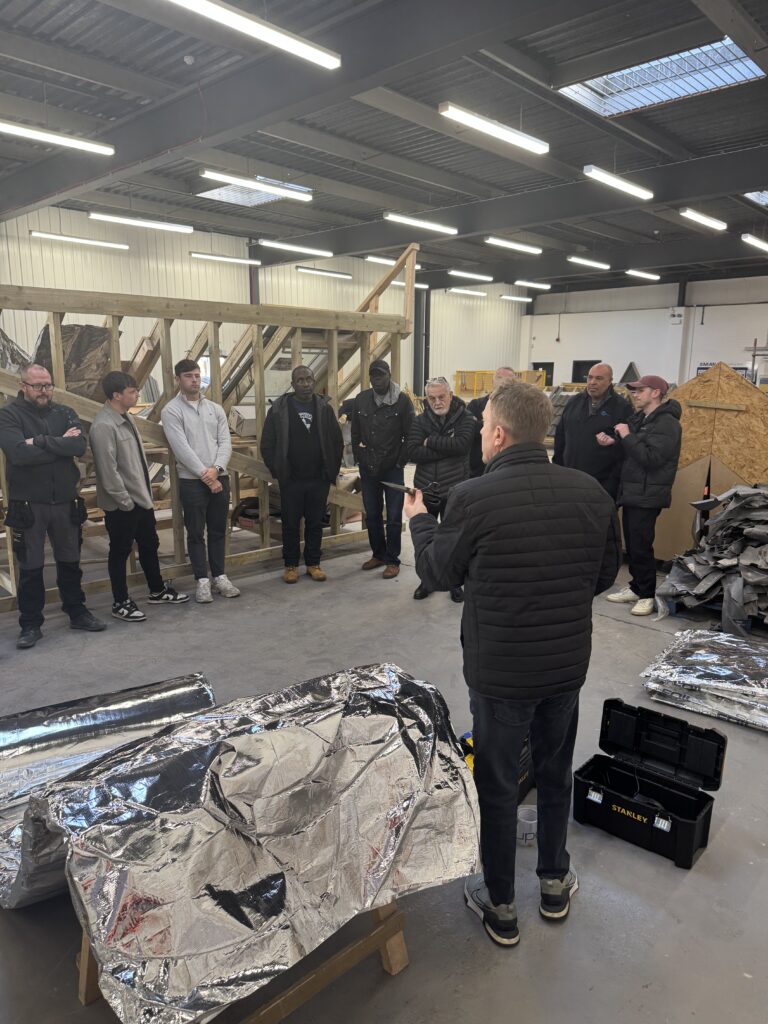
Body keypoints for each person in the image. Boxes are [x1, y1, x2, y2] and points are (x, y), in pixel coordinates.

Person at [405, 380, 620, 948]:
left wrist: (420, 521)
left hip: (500, 674)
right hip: (564, 668)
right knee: (554, 772)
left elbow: (438, 574)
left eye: (483, 427)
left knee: (498, 785)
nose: (480, 435)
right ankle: (554, 881)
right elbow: (603, 575)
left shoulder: (472, 497)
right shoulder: (591, 493)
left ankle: (500, 904)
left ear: (499, 434)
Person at [0, 363, 107, 648]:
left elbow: (78, 447)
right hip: (29, 503)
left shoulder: (65, 412)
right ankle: (30, 623)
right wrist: (59, 445)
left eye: (48, 385)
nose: (44, 391)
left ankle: (77, 611)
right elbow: (18, 454)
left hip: (64, 501)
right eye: (38, 386)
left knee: (70, 560)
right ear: (23, 386)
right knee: (31, 565)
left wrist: (39, 441)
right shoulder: (8, 415)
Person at [90, 371, 189, 622]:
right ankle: (120, 602)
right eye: (132, 391)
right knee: (120, 552)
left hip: (140, 500)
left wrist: (142, 500)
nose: (137, 395)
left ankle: (156, 590)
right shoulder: (104, 425)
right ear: (116, 395)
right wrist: (125, 502)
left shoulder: (127, 418)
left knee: (149, 544)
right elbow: (108, 471)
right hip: (122, 504)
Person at [603, 375, 682, 616]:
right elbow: (633, 451)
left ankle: (647, 594)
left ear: (656, 393)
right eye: (634, 391)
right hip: (633, 491)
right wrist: (614, 441)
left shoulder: (667, 423)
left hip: (647, 494)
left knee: (641, 545)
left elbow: (652, 459)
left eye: (640, 390)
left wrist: (627, 435)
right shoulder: (642, 419)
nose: (635, 395)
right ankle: (637, 587)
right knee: (633, 543)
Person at [162, 359, 240, 603]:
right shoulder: (171, 411)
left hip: (219, 476)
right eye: (188, 376)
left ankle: (219, 576)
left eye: (197, 375)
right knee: (196, 532)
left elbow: (225, 442)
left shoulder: (215, 409)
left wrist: (216, 470)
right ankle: (202, 580)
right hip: (192, 481)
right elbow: (181, 449)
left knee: (218, 530)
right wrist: (207, 476)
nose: (194, 380)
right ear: (178, 379)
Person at [260, 365, 343, 583]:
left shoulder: (324, 409)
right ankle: (290, 566)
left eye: (309, 379)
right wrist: (278, 470)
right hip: (291, 480)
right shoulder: (279, 409)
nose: (305, 384)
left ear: (314, 382)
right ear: (293, 384)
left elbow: (337, 441)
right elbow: (267, 444)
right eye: (300, 380)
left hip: (318, 479)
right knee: (290, 524)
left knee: (315, 523)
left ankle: (313, 564)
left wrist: (331, 470)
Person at [406, 375, 474, 602]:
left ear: (450, 395)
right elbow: (412, 452)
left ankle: (454, 582)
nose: (437, 402)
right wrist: (447, 448)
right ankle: (427, 580)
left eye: (441, 397)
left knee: (454, 539)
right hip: (426, 488)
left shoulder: (465, 418)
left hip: (455, 488)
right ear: (426, 398)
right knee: (424, 537)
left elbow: (462, 445)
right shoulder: (419, 421)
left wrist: (430, 441)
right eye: (432, 398)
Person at [351, 359, 415, 579]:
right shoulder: (361, 400)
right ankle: (378, 554)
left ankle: (392, 560)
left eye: (381, 375)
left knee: (394, 516)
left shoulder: (402, 402)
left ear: (389, 376)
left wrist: (400, 462)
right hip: (368, 468)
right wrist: (359, 457)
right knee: (372, 514)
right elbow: (355, 433)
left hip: (392, 468)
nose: (377, 379)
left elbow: (411, 435)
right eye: (373, 375)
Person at [553, 362, 633, 499]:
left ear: (610, 381)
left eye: (599, 378)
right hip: (569, 480)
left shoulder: (621, 407)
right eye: (590, 377)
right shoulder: (574, 402)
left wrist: (612, 484)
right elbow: (560, 436)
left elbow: (626, 448)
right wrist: (558, 468)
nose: (592, 382)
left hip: (601, 485)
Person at [467, 367, 517, 478]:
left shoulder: (518, 408)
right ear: (493, 381)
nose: (504, 382)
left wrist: (482, 423)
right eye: (500, 378)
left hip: (508, 467)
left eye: (508, 380)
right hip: (478, 468)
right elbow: (469, 429)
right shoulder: (475, 405)